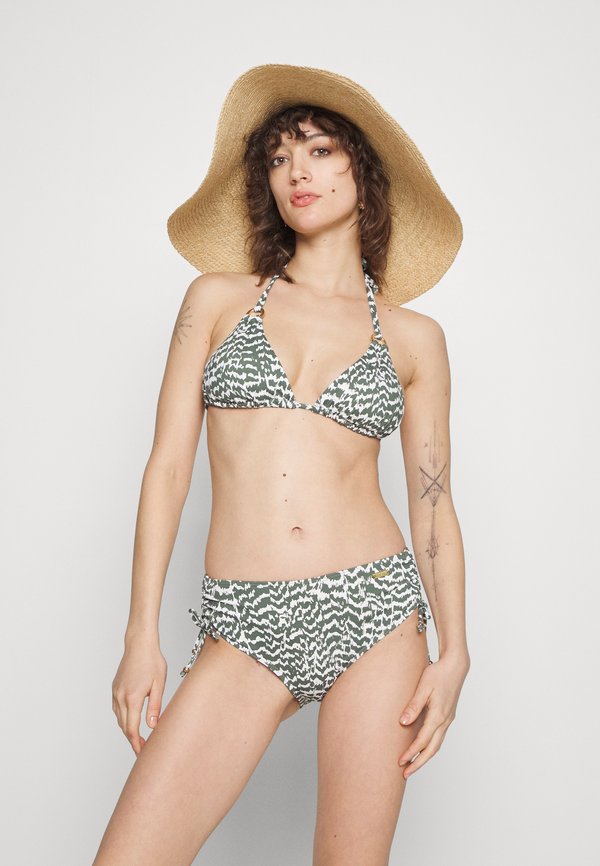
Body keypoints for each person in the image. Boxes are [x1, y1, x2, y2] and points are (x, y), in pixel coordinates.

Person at [93, 63, 470, 866]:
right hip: (244, 620)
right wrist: (140, 633)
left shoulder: (415, 339)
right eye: (278, 158)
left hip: (375, 612)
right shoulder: (216, 300)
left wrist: (456, 650)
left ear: (363, 175)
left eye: (320, 150)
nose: (297, 171)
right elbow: (167, 469)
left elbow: (433, 500)